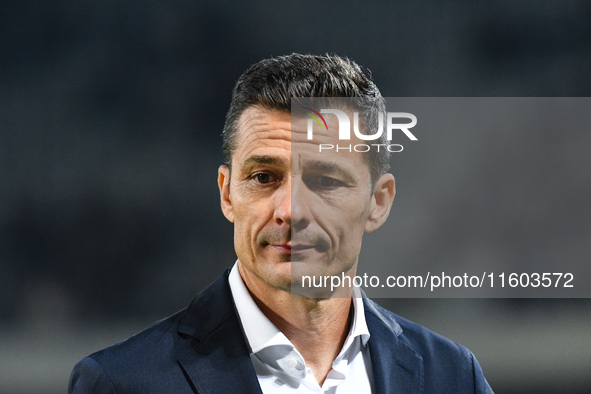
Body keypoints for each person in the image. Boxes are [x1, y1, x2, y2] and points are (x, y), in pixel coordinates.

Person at [68, 54, 493, 393]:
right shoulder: (121, 384)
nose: (291, 210)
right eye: (263, 177)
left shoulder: (453, 377)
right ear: (227, 192)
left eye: (325, 180)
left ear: (378, 203)